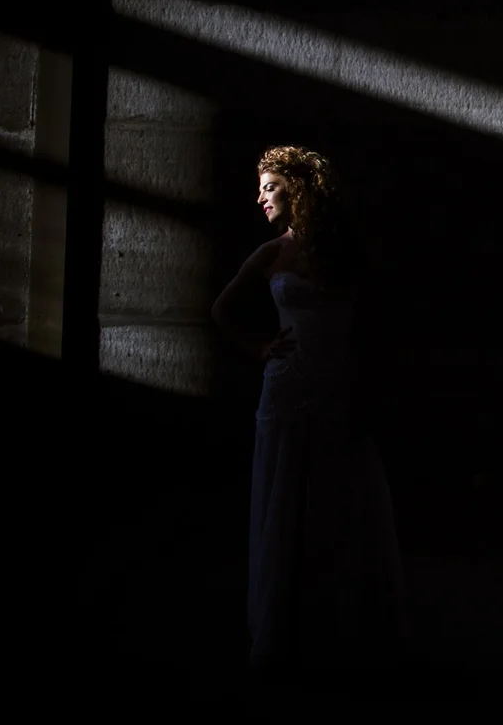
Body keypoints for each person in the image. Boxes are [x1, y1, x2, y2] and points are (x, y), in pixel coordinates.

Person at [211, 145, 405, 690]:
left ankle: (336, 629)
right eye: (260, 188)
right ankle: (283, 632)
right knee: (284, 500)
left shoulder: (343, 250)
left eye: (269, 186)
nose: (260, 198)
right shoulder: (271, 253)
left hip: (338, 389)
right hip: (286, 391)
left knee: (337, 502)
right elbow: (221, 310)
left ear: (297, 189)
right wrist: (259, 349)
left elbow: (375, 321)